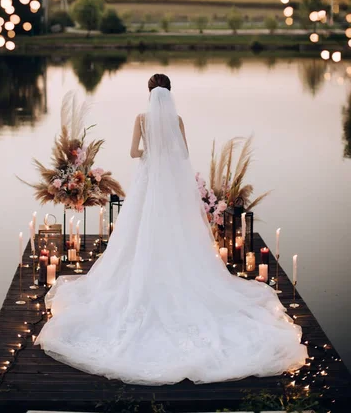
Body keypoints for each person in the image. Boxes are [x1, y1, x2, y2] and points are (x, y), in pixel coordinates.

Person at [35, 73, 307, 385]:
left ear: (149, 92)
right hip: (169, 187)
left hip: (149, 183)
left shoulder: (140, 118)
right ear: (170, 93)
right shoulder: (177, 120)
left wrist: (151, 151)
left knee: (139, 231)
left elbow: (134, 153)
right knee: (176, 231)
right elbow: (184, 154)